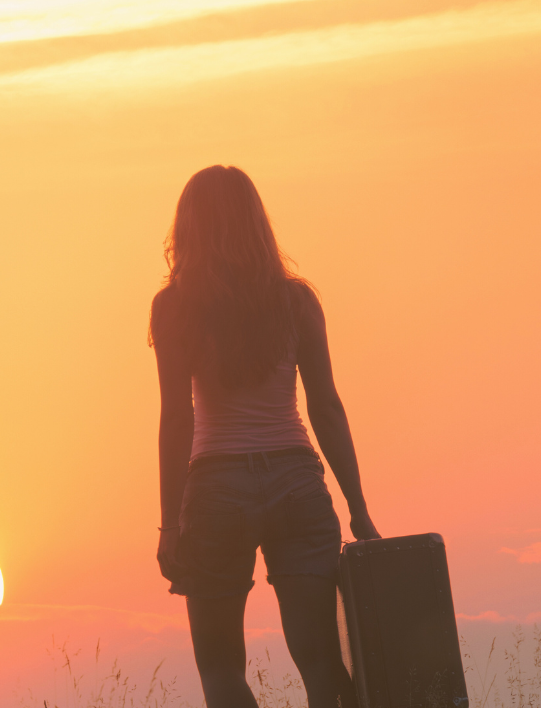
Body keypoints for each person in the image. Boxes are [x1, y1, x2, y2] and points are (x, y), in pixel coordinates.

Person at [149, 165, 380, 708]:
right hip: (297, 482)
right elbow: (325, 406)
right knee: (322, 661)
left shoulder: (175, 306)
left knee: (221, 669)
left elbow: (176, 419)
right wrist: (359, 507)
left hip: (215, 490)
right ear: (257, 223)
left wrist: (169, 524)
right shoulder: (296, 301)